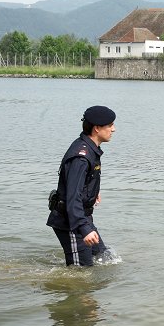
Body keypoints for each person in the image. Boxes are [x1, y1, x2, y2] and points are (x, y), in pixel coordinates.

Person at [47, 105, 116, 266]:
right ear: (97, 128)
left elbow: (82, 183)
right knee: (81, 274)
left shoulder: (90, 149)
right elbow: (72, 197)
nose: (114, 129)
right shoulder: (81, 156)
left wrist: (93, 192)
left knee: (104, 257)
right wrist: (84, 229)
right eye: (110, 125)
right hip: (70, 222)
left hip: (81, 217)